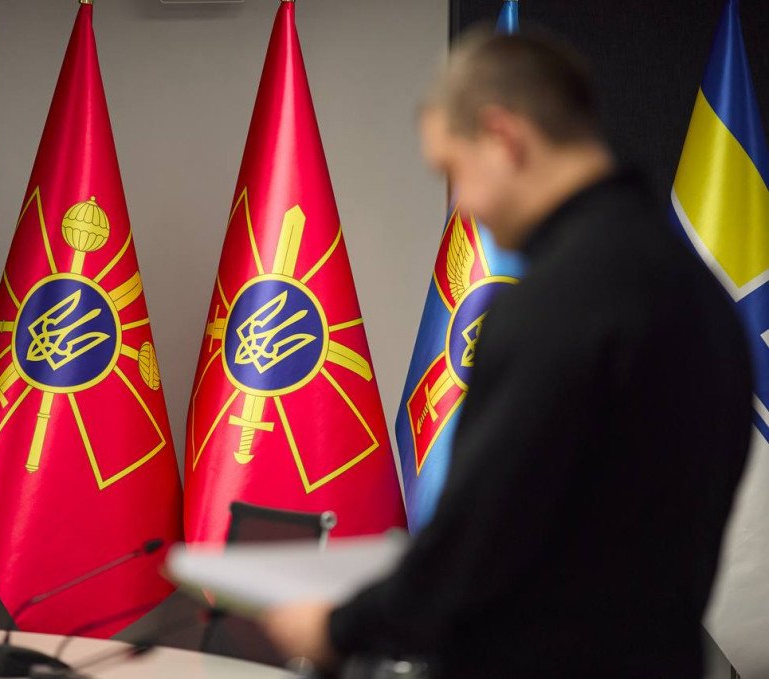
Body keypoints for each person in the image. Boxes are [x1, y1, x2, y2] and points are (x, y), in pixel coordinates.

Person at [261, 29, 753, 678]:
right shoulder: (699, 292)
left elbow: (477, 541)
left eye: (453, 172)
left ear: (504, 136)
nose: (460, 202)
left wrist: (335, 626)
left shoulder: (558, 300)